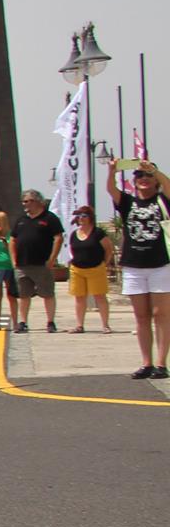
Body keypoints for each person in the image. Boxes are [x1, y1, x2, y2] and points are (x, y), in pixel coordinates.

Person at [110, 158, 170, 379]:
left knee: (161, 314)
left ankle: (161, 364)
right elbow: (111, 190)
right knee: (141, 316)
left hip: (160, 263)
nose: (144, 179)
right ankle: (146, 363)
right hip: (134, 265)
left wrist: (154, 169)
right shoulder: (128, 202)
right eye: (139, 175)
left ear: (155, 180)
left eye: (148, 176)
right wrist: (112, 170)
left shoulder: (162, 200)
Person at [9, 188, 65, 334]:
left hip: (42, 264)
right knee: (24, 295)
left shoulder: (50, 218)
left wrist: (52, 259)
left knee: (47, 294)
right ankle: (23, 322)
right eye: (23, 201)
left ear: (38, 201)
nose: (25, 204)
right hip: (22, 265)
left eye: (28, 201)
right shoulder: (21, 220)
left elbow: (58, 238)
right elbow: (12, 240)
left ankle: (50, 322)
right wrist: (13, 260)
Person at [65, 205, 112, 334]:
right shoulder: (74, 234)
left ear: (90, 217)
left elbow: (108, 249)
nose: (81, 218)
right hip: (77, 270)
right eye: (79, 216)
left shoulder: (98, 233)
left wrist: (105, 263)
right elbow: (72, 250)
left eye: (84, 216)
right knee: (79, 298)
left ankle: (105, 325)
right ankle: (79, 325)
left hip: (96, 269)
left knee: (100, 297)